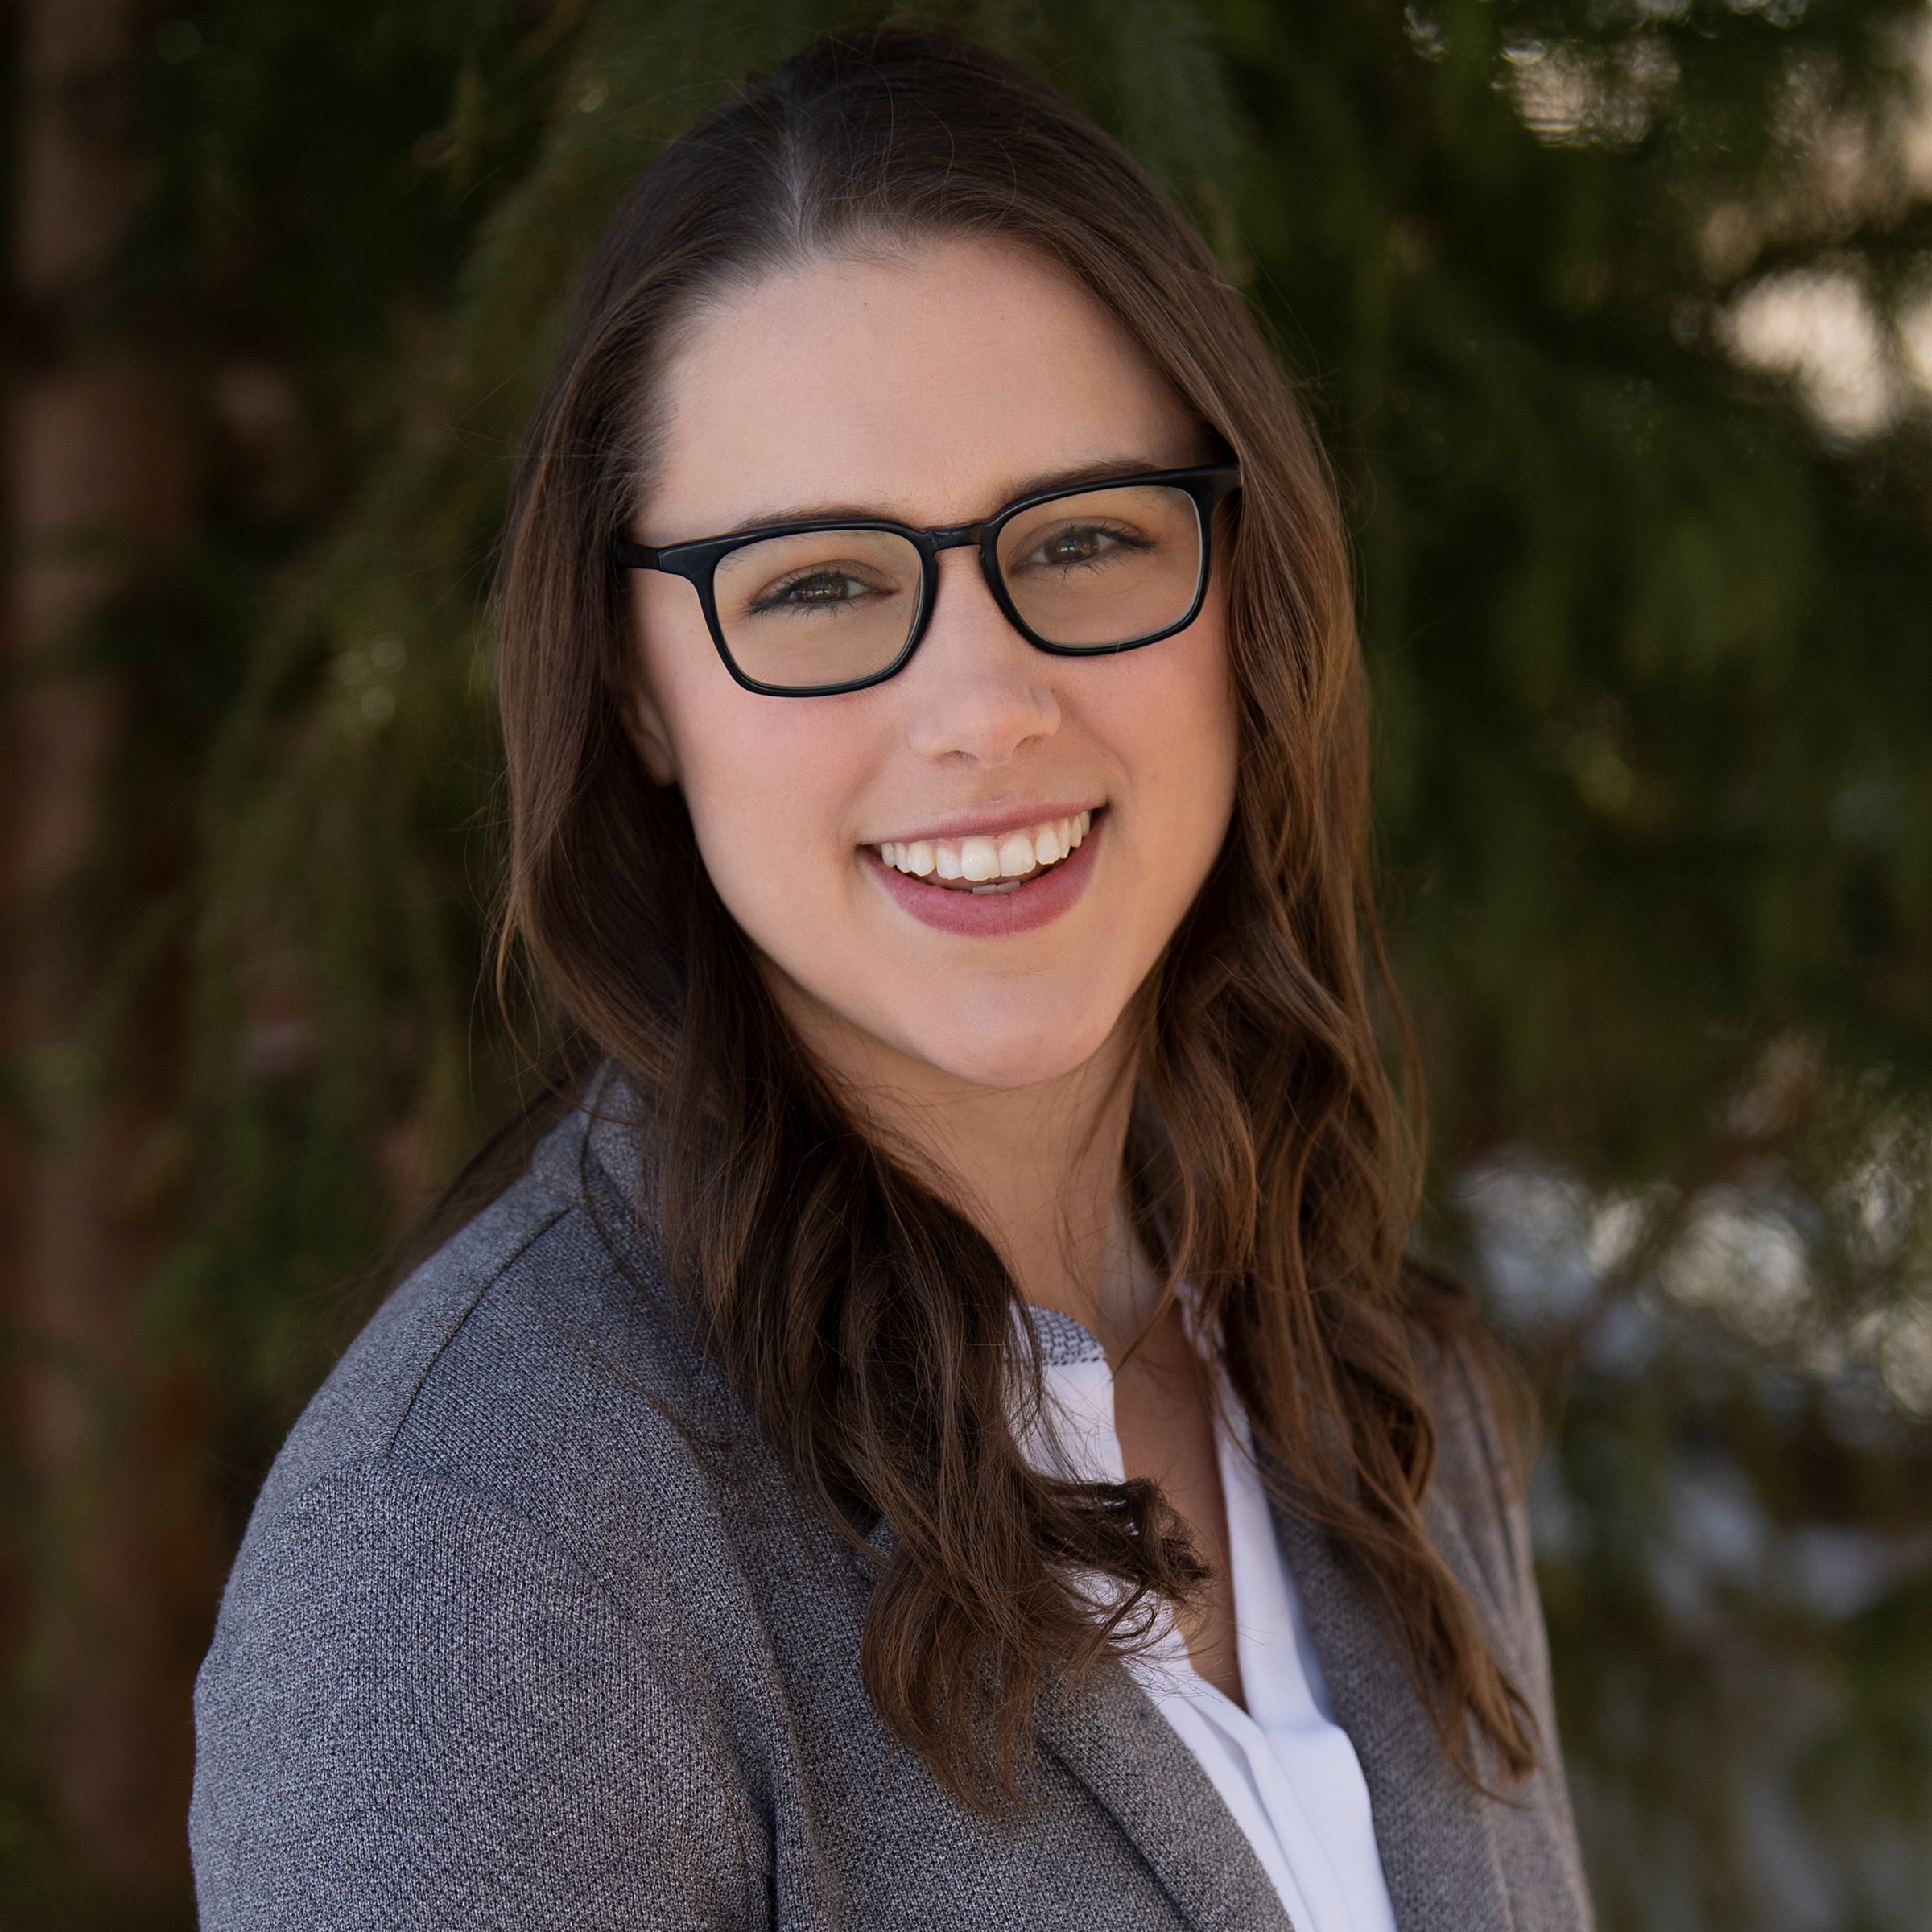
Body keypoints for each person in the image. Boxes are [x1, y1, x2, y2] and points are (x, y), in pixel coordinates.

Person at [189, 28, 1591, 1930]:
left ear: (1240, 580)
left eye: (1085, 539)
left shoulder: (1381, 1389)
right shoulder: (475, 1550)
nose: (982, 708)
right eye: (820, 584)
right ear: (635, 687)